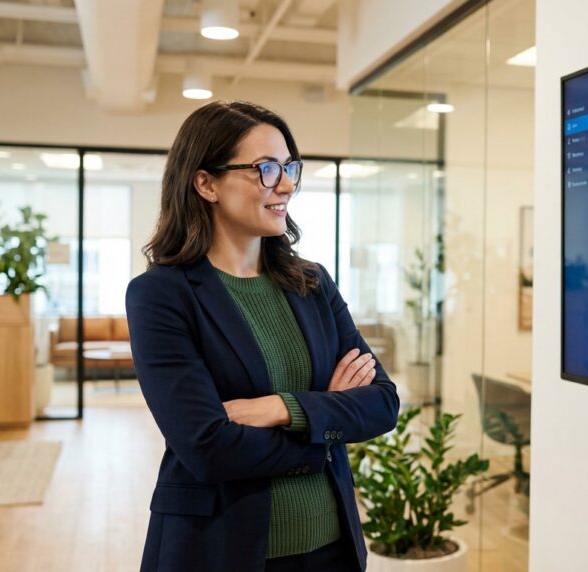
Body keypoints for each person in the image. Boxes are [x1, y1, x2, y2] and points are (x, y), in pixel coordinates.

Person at [126, 100, 399, 572]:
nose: (287, 184)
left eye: (290, 166)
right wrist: (323, 429)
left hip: (330, 547)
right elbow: (208, 448)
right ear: (206, 182)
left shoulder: (312, 283)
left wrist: (279, 409)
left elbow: (382, 403)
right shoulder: (160, 295)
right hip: (220, 549)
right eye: (266, 169)